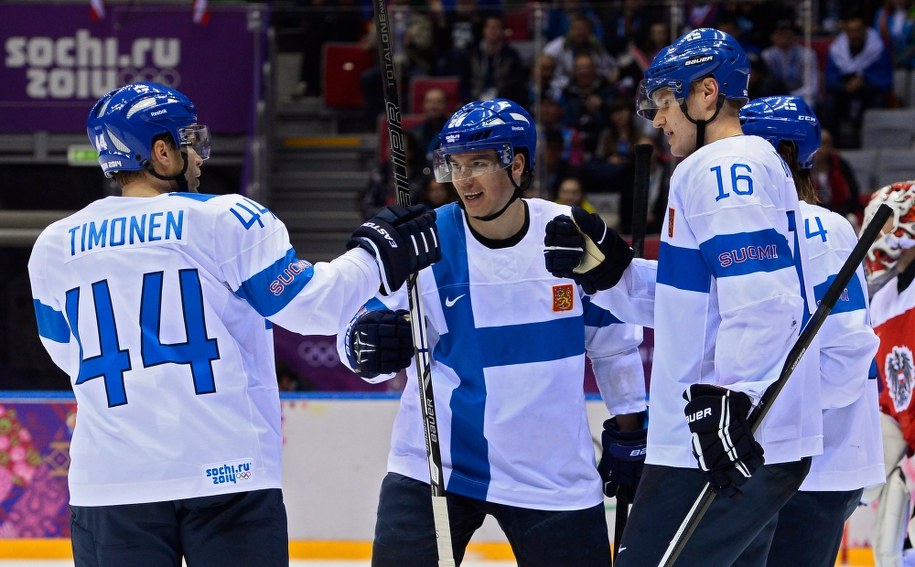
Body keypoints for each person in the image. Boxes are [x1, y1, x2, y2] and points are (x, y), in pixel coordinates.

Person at [26, 82, 441, 567]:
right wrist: (376, 254)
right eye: (189, 142)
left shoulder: (54, 246)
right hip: (228, 475)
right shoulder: (225, 219)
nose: (200, 155)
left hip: (111, 482)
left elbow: (64, 353)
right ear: (160, 152)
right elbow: (311, 308)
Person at [544, 28, 822, 566]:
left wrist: (731, 401)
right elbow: (696, 303)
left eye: (666, 102)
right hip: (743, 436)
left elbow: (763, 301)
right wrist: (613, 272)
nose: (657, 118)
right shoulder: (742, 166)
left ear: (706, 93)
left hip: (719, 439)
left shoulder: (721, 166)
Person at [337, 98, 647, 567]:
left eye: (478, 163)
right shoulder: (426, 239)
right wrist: (363, 347)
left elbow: (614, 345)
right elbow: (354, 328)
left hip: (551, 473)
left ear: (518, 164)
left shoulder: (568, 234)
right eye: (454, 165)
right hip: (437, 467)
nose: (463, 179)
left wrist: (631, 429)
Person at [739, 95, 883, 567]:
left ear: (780, 153)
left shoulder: (822, 229)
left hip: (814, 470)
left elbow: (845, 360)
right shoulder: (762, 228)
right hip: (783, 464)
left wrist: (772, 417)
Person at [860, 180, 915, 566]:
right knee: (886, 548)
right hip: (901, 423)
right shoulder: (881, 299)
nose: (874, 237)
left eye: (882, 224)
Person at [823, 13, 894, 147]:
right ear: (846, 32)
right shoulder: (836, 50)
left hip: (868, 92)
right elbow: (829, 81)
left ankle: (874, 144)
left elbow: (886, 81)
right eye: (851, 31)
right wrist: (845, 86)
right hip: (844, 92)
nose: (855, 35)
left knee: (879, 99)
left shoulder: (878, 48)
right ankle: (833, 146)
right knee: (830, 102)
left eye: (858, 30)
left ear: (865, 30)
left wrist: (863, 81)